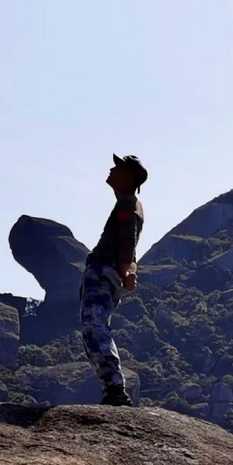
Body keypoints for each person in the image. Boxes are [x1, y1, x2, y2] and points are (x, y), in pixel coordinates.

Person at [79, 153, 147, 406]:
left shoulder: (127, 204)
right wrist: (129, 271)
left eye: (117, 168)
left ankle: (115, 389)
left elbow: (128, 241)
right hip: (106, 272)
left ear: (128, 176)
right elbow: (130, 243)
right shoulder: (129, 204)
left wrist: (126, 270)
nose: (111, 170)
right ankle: (112, 388)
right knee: (94, 327)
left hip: (103, 271)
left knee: (95, 327)